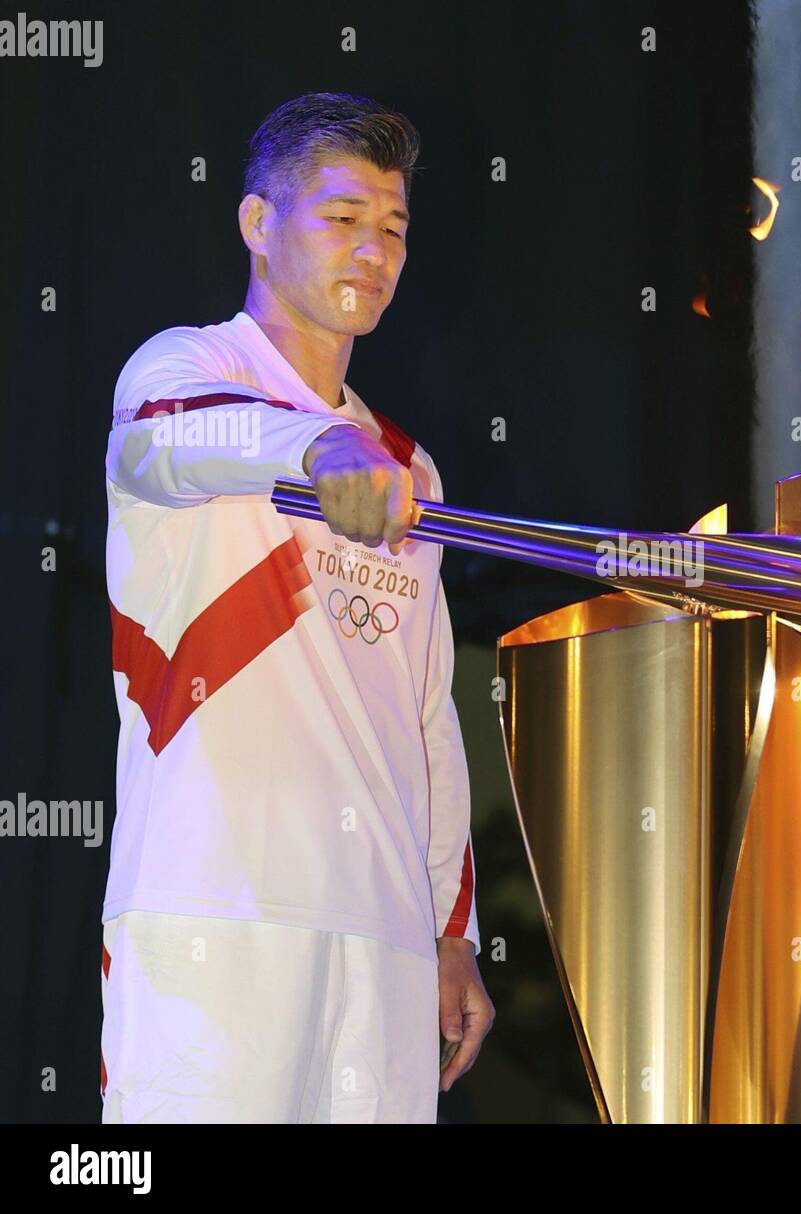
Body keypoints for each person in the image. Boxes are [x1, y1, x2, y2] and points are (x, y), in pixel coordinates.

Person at [99, 91, 493, 1123]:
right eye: (342, 217)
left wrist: (453, 929)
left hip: (383, 932)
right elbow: (168, 446)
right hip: (215, 913)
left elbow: (427, 711)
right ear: (258, 225)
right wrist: (315, 448)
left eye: (394, 227)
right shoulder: (182, 370)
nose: (374, 250)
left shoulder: (413, 471)